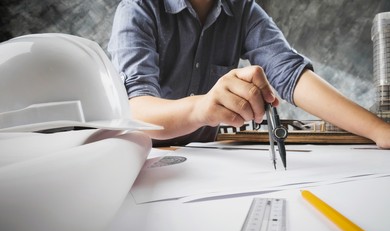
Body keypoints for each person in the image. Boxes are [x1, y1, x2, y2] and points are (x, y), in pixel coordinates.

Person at [108, 0, 390, 148]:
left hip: (210, 159)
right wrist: (202, 108)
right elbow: (136, 109)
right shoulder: (138, 9)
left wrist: (380, 131)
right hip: (145, 161)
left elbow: (290, 73)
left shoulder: (242, 8)